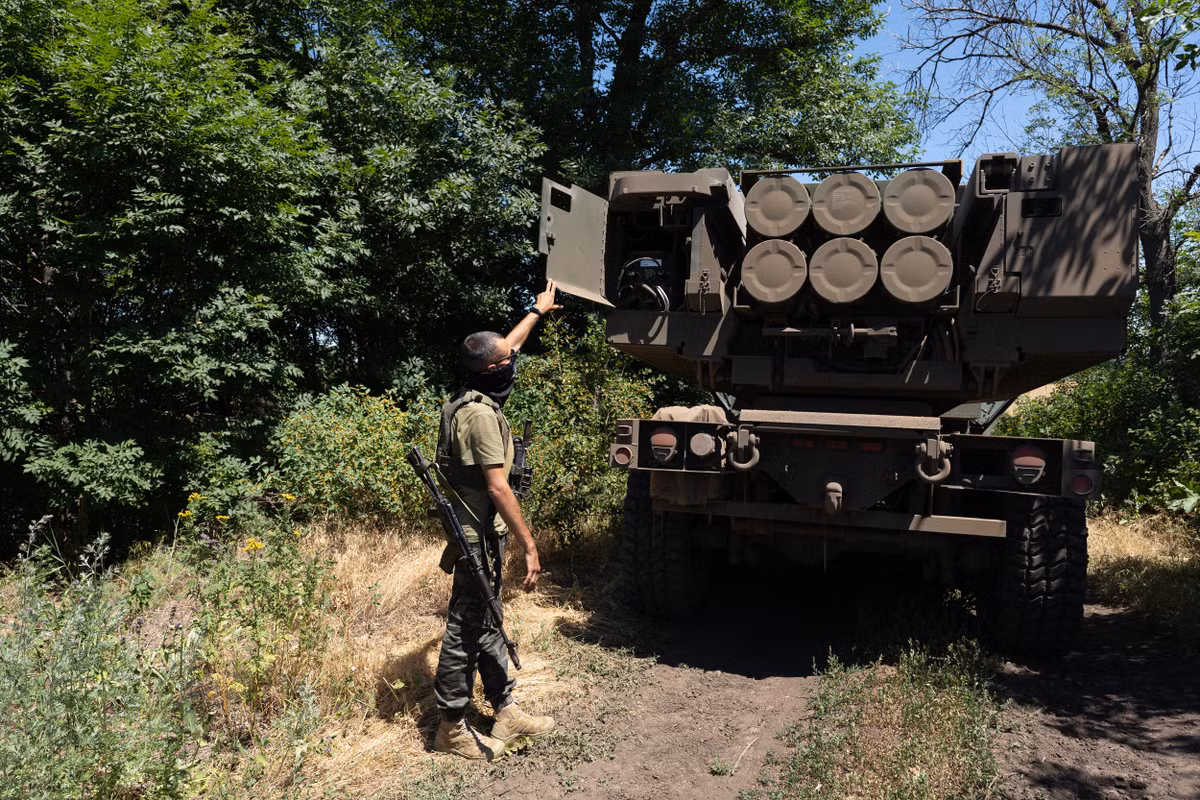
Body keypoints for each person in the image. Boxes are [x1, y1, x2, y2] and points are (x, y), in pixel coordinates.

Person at [431, 279, 562, 760]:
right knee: (465, 627)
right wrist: (531, 544)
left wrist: (537, 310)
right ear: (491, 370)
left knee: (488, 617)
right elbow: (497, 486)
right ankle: (449, 727)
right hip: (476, 534)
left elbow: (509, 346)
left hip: (482, 532)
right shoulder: (481, 417)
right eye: (506, 362)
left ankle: (505, 710)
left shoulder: (474, 392)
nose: (514, 363)